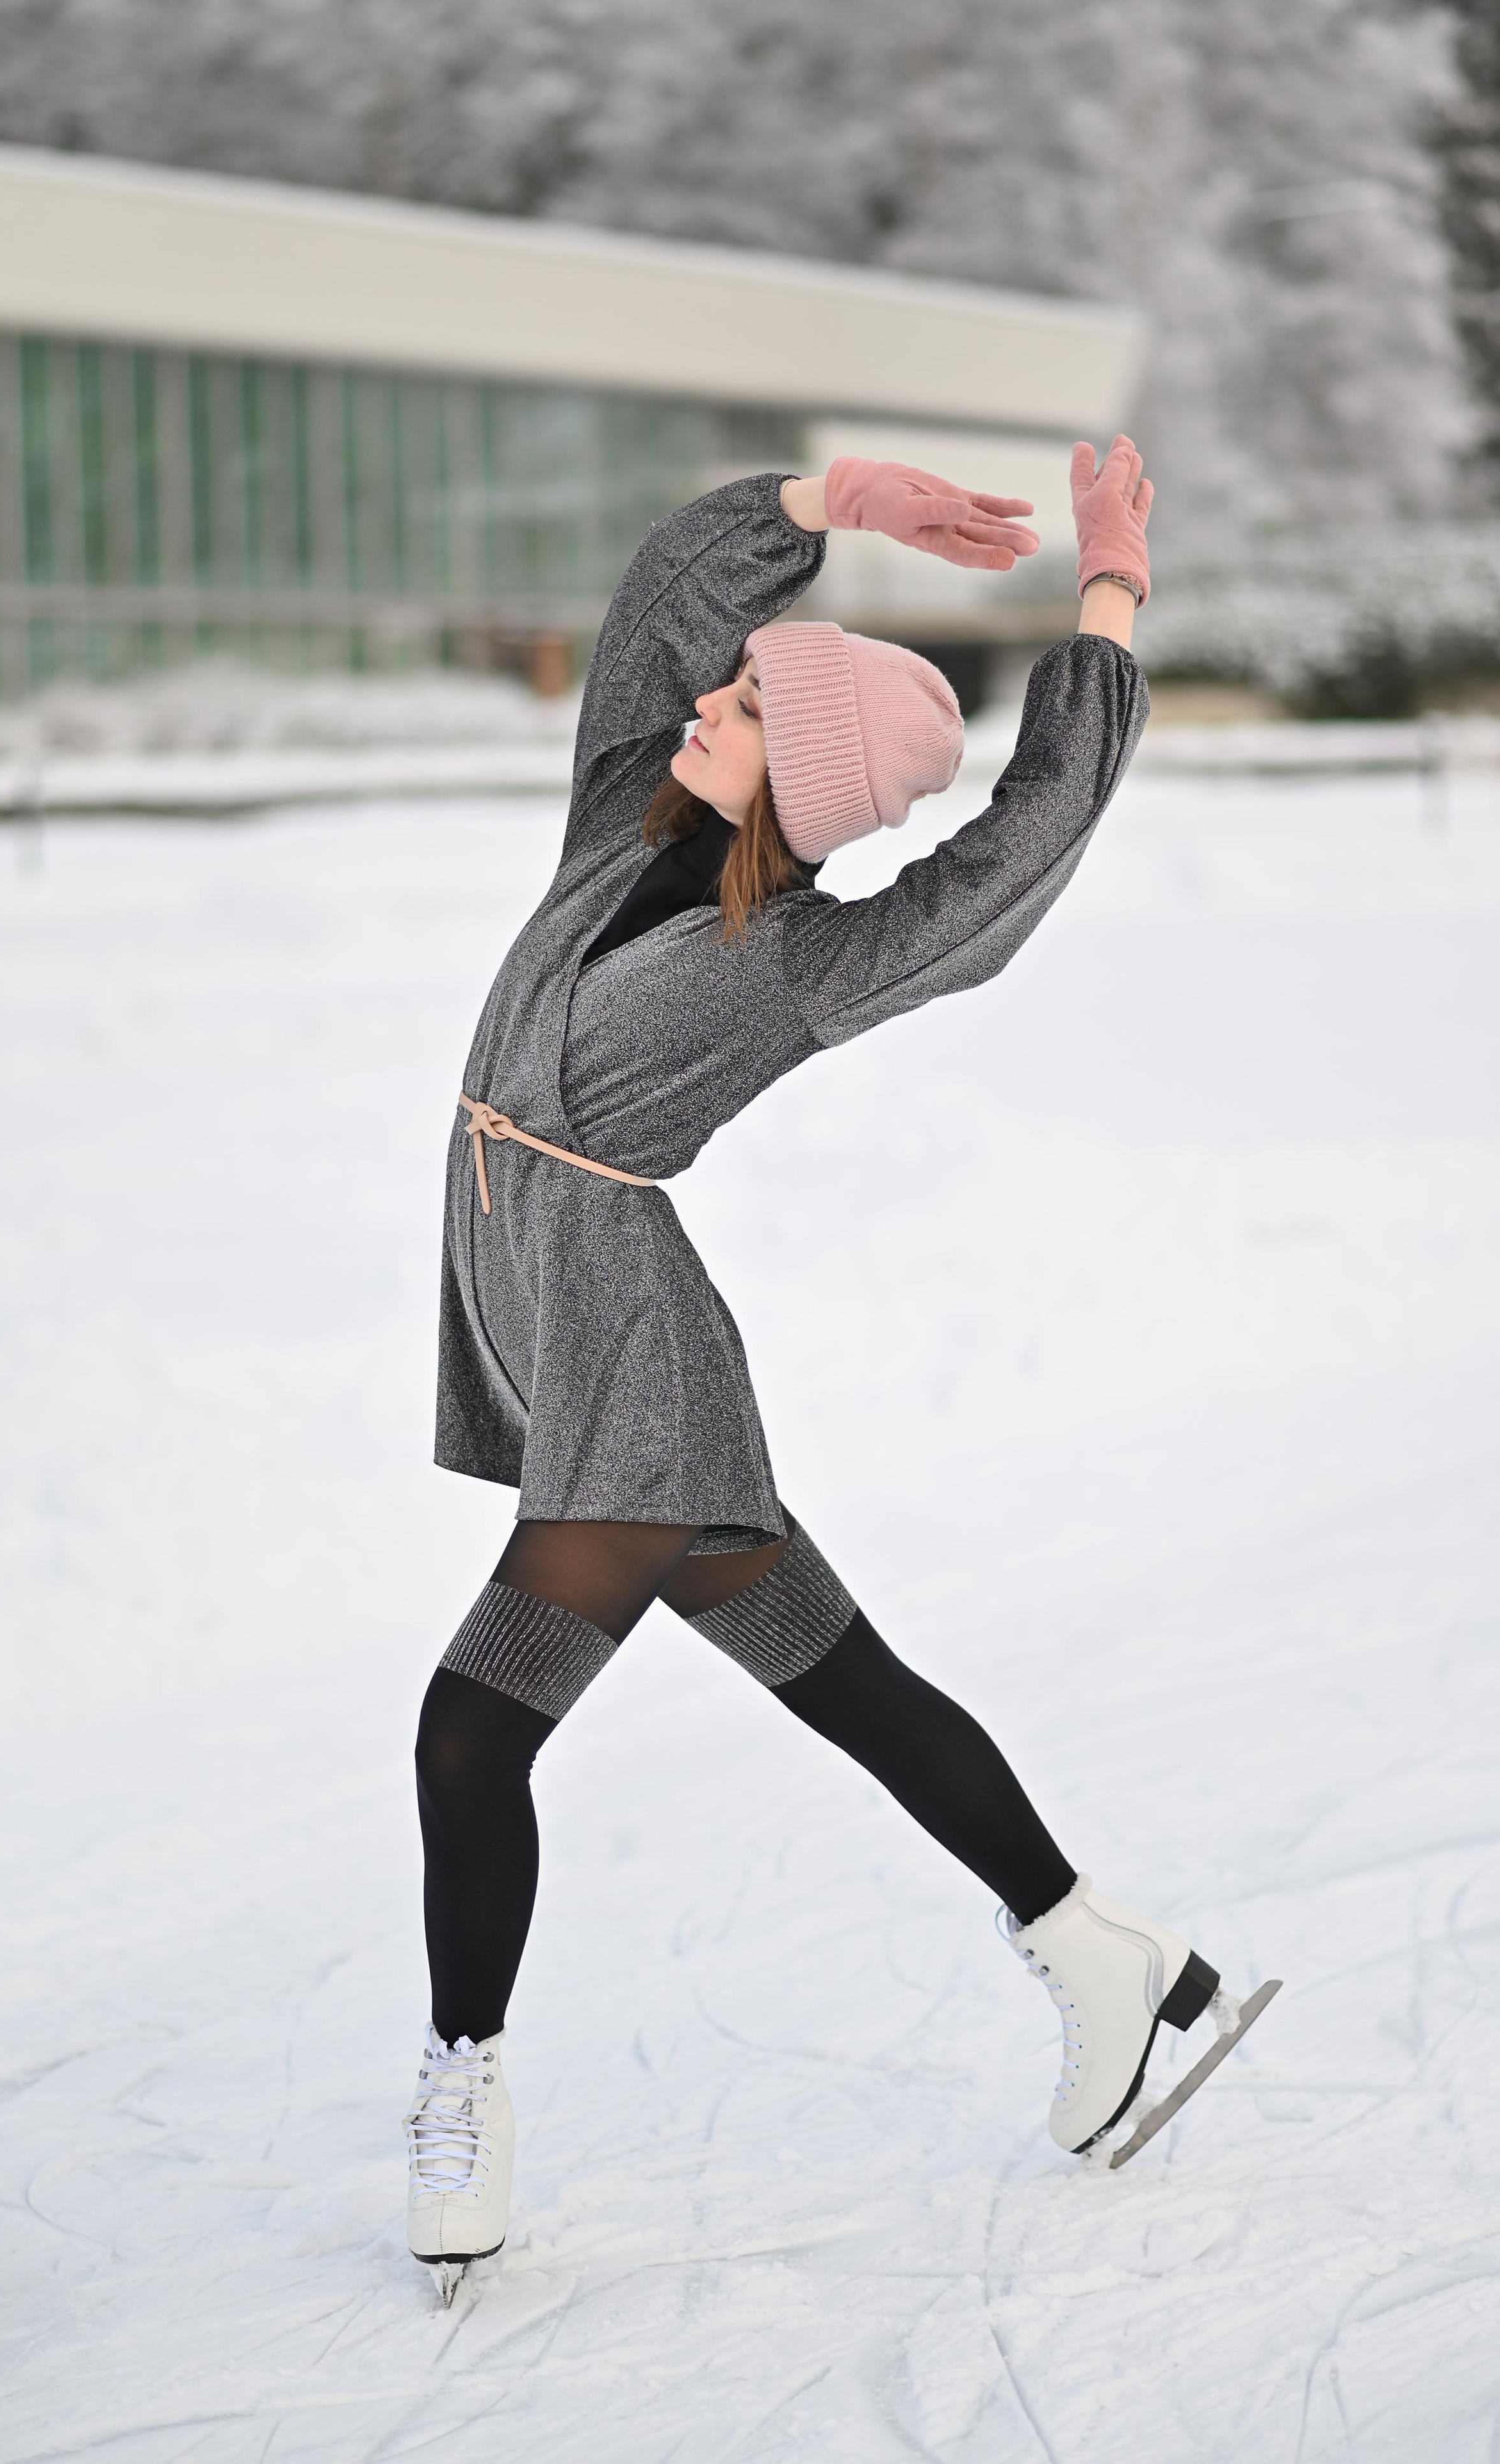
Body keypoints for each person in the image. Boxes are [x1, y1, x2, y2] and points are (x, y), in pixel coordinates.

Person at [405, 438, 1225, 2288]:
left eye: (755, 707)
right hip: (576, 1338)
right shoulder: (622, 822)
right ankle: (1103, 1950)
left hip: (632, 1378)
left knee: (472, 1728)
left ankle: (463, 2085)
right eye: (732, 687)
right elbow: (660, 610)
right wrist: (829, 503)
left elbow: (1021, 849)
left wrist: (1107, 601)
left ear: (807, 782)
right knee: (851, 1687)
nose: (712, 699)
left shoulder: (798, 961)